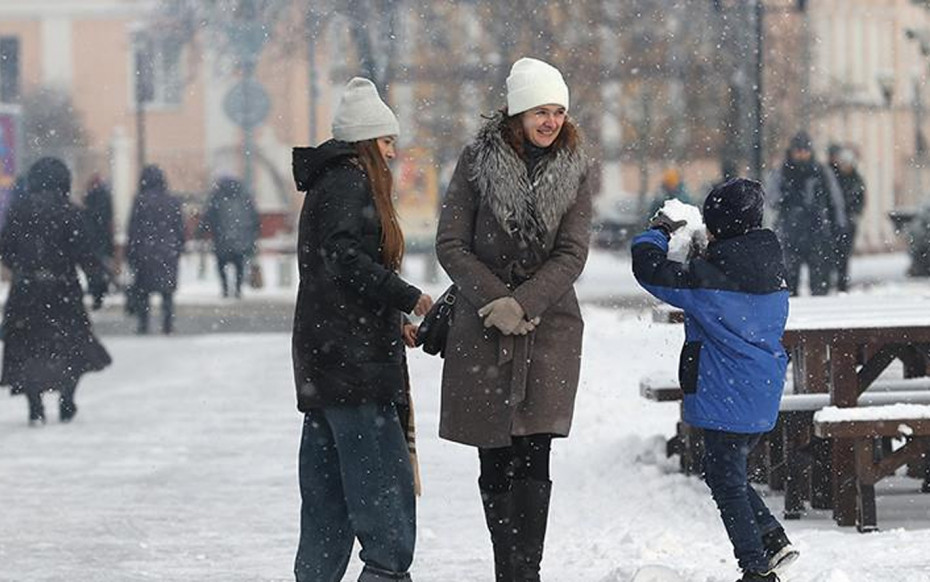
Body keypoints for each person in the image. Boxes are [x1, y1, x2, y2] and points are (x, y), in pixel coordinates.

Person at [435, 57, 592, 581]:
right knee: (494, 458)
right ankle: (509, 568)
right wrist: (494, 301)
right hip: (482, 333)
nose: (550, 122)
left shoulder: (574, 167)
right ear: (517, 113)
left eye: (558, 112)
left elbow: (571, 253)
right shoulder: (476, 162)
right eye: (540, 111)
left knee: (534, 455)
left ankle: (527, 572)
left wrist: (523, 304)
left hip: (547, 332)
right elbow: (452, 243)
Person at [290, 77, 433, 582]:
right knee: (384, 505)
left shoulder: (329, 183)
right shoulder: (350, 181)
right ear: (368, 143)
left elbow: (335, 279)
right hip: (356, 372)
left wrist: (391, 325)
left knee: (327, 506)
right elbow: (346, 259)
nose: (393, 154)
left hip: (327, 365)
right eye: (388, 143)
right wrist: (408, 298)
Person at [631, 178, 798, 582]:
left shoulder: (707, 281)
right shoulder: (770, 268)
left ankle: (756, 569)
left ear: (717, 225)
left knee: (725, 482)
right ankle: (772, 541)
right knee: (728, 474)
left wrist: (659, 229)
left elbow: (648, 268)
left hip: (726, 395)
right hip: (761, 392)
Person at [0, 157, 112, 425]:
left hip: (26, 291)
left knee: (27, 348)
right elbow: (86, 253)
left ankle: (35, 404)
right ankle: (67, 397)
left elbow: (4, 249)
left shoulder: (19, 212)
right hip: (63, 290)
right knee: (72, 346)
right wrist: (98, 285)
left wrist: (22, 267)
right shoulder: (71, 213)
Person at [765, 131, 846, 296]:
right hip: (790, 233)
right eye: (798, 150)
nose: (802, 154)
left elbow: (835, 201)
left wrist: (838, 226)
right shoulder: (782, 173)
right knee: (788, 285)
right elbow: (771, 200)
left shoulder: (821, 172)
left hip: (817, 232)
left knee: (819, 284)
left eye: (805, 150)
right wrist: (785, 199)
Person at [127, 165, 185, 334]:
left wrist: (131, 253)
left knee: (143, 292)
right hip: (167, 252)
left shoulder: (139, 201)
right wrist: (178, 247)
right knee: (167, 293)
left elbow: (133, 229)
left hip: (144, 252)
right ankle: (167, 325)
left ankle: (143, 325)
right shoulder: (173, 201)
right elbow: (179, 228)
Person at [197, 177, 261, 298]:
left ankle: (225, 288)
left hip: (222, 240)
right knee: (239, 265)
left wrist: (200, 232)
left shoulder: (217, 197)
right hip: (241, 241)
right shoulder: (244, 197)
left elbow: (208, 217)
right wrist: (253, 236)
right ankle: (237, 290)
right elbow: (254, 218)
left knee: (222, 265)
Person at [827, 145, 866, 292]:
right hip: (834, 222)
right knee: (832, 252)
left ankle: (841, 282)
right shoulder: (833, 177)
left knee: (844, 254)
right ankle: (833, 280)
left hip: (848, 222)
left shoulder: (856, 179)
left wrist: (854, 214)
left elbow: (860, 199)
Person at [83, 174, 115, 309]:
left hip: (92, 237)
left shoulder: (89, 198)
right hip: (104, 237)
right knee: (102, 265)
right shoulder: (106, 197)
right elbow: (109, 218)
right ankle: (102, 288)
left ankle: (96, 291)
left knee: (93, 268)